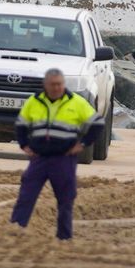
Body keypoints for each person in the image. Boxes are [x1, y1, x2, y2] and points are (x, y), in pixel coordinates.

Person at [10, 67, 102, 241]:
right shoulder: (34, 101)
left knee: (66, 200)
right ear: (45, 85)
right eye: (53, 84)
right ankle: (15, 231)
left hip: (64, 159)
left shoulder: (76, 102)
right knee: (26, 195)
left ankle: (64, 238)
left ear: (64, 84)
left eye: (59, 84)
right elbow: (21, 124)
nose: (56, 88)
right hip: (39, 158)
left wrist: (83, 144)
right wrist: (24, 145)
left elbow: (98, 123)